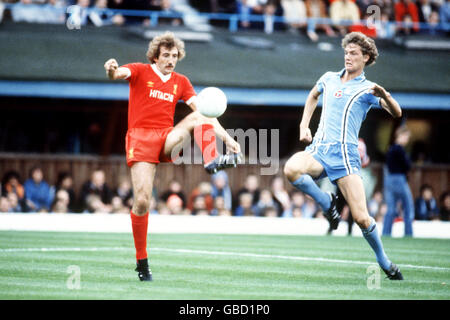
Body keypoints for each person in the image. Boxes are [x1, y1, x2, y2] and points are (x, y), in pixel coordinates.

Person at [104, 31, 242, 281]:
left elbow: (205, 113)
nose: (170, 59)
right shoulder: (139, 70)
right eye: (166, 55)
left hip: (167, 137)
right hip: (140, 138)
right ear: (155, 58)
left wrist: (228, 139)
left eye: (174, 55)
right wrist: (111, 69)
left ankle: (211, 158)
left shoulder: (181, 81)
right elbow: (118, 74)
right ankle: (142, 261)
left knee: (198, 114)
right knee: (143, 201)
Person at [283, 32, 404, 280]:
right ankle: (326, 202)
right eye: (346, 52)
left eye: (354, 54)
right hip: (320, 149)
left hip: (346, 157)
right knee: (291, 169)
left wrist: (385, 95)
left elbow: (397, 113)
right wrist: (303, 126)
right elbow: (312, 96)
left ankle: (385, 261)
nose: (348, 57)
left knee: (361, 218)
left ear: (366, 57)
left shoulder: (368, 89)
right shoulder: (329, 78)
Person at [382, 125, 415, 237]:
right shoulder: (399, 149)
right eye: (406, 137)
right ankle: (408, 233)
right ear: (401, 135)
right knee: (408, 206)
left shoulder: (391, 148)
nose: (407, 140)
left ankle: (386, 233)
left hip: (389, 179)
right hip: (399, 179)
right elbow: (407, 165)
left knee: (390, 209)